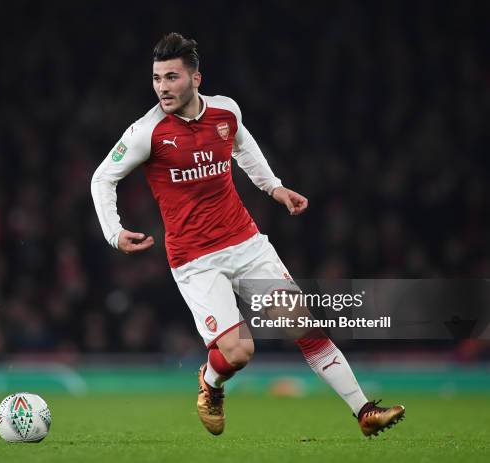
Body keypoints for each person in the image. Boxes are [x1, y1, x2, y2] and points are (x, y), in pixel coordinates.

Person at [91, 32, 404, 437]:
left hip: (246, 243)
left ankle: (363, 411)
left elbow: (243, 147)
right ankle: (210, 382)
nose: (163, 88)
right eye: (156, 79)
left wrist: (273, 187)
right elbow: (102, 178)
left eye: (171, 77)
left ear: (195, 79)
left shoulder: (225, 112)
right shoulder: (146, 132)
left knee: (303, 324)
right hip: (195, 260)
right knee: (239, 352)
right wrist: (114, 234)